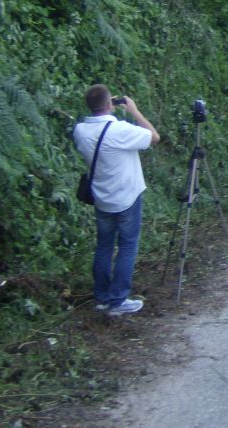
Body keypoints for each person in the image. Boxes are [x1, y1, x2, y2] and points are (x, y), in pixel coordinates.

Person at [73, 84, 160, 316]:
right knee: (127, 246)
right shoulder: (120, 130)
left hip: (102, 198)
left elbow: (94, 118)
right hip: (127, 197)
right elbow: (154, 137)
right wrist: (134, 111)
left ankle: (101, 297)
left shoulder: (80, 130)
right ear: (109, 104)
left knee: (104, 246)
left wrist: (107, 107)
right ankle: (118, 300)